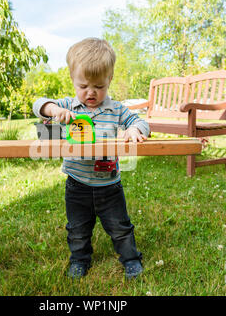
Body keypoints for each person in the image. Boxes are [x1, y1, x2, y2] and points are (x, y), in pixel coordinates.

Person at [32, 37, 150, 279]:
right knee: (77, 229)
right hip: (77, 184)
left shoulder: (116, 109)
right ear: (73, 80)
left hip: (109, 185)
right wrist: (54, 110)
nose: (91, 92)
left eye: (99, 86)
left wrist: (134, 130)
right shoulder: (67, 106)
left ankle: (130, 259)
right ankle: (79, 260)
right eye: (83, 85)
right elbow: (38, 104)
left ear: (109, 80)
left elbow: (141, 121)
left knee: (120, 228)